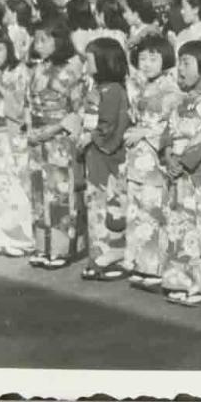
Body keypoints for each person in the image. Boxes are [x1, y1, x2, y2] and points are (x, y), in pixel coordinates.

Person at [158, 40, 201, 306]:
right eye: (180, 62)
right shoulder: (181, 100)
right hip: (177, 168)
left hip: (198, 171)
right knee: (177, 223)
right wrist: (168, 155)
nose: (180, 69)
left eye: (187, 63)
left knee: (200, 225)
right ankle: (178, 279)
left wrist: (183, 161)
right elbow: (168, 132)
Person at [26, 20, 88, 270]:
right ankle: (43, 246)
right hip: (38, 136)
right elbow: (27, 102)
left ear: (59, 40)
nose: (38, 45)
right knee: (39, 194)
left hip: (59, 137)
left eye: (44, 39)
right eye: (36, 40)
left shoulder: (73, 70)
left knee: (60, 192)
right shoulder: (38, 69)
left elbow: (78, 110)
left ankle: (61, 248)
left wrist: (52, 129)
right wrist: (31, 127)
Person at [121, 33, 181, 291]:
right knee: (138, 209)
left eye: (153, 58)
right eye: (142, 58)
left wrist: (144, 132)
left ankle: (155, 267)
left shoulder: (171, 88)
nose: (146, 63)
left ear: (165, 59)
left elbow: (173, 125)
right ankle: (140, 264)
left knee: (154, 210)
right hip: (138, 155)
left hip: (154, 154)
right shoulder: (144, 86)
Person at [77, 37, 130, 281]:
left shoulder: (114, 90)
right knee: (95, 204)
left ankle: (110, 257)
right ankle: (97, 256)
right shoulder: (97, 88)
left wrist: (91, 137)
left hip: (105, 154)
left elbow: (110, 125)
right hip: (95, 153)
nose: (85, 65)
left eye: (89, 60)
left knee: (108, 205)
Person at [0, 28, 33, 258]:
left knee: (16, 183)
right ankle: (0, 235)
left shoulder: (19, 71)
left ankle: (20, 238)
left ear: (8, 48)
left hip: (15, 133)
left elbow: (20, 106)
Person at [4, 0, 35, 64]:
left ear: (14, 14)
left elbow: (17, 55)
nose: (4, 14)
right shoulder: (28, 30)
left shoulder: (13, 30)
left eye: (6, 11)